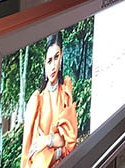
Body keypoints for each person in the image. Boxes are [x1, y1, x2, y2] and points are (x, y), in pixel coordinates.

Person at [21, 33, 78, 168]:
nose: (53, 66)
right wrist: (56, 144)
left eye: (56, 57)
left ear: (62, 56)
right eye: (49, 60)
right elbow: (32, 155)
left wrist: (47, 140)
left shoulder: (66, 91)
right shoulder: (36, 102)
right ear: (44, 63)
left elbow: (70, 142)